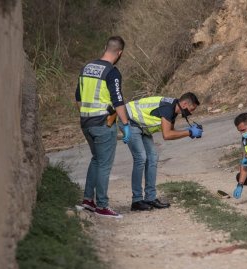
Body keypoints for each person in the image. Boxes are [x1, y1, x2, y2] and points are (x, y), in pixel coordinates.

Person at [75, 36, 131, 218]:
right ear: (119, 53)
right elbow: (118, 101)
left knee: (97, 159)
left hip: (86, 122)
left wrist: (86, 114)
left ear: (105, 47)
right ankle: (102, 205)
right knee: (104, 164)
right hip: (103, 124)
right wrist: (126, 125)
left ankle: (88, 201)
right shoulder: (112, 72)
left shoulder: (87, 68)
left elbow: (78, 97)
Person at [119, 92, 202, 211]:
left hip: (141, 127)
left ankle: (150, 198)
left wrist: (188, 131)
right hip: (128, 121)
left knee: (153, 157)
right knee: (141, 158)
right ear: (184, 104)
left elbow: (171, 131)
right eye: (191, 109)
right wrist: (189, 132)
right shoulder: (168, 108)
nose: (191, 112)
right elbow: (167, 135)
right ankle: (136, 201)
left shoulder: (173, 110)